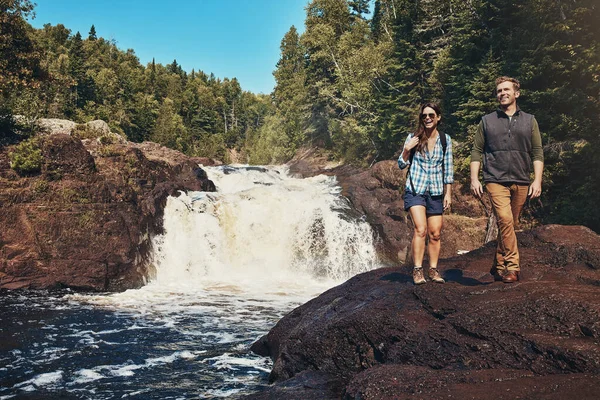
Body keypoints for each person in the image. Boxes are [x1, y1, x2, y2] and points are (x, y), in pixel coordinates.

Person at [470, 76, 544, 283]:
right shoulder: (487, 121)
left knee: (510, 223)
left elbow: (537, 152)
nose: (502, 93)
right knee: (504, 219)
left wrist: (537, 180)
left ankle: (498, 263)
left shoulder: (530, 120)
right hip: (495, 179)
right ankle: (512, 267)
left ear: (516, 93)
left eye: (506, 90)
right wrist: (474, 179)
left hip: (521, 179)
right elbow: (477, 151)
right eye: (499, 91)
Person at [398, 103, 454, 285]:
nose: (427, 118)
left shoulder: (445, 140)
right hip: (416, 189)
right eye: (424, 116)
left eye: (431, 115)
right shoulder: (413, 138)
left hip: (436, 191)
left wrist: (448, 194)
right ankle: (417, 270)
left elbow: (448, 169)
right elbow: (401, 163)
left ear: (438, 117)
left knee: (435, 233)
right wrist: (407, 149)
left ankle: (433, 270)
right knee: (420, 229)